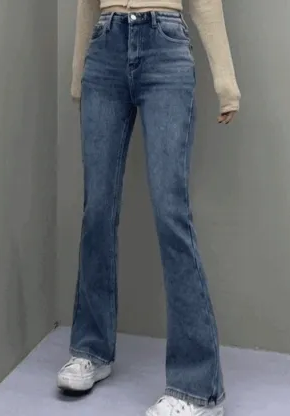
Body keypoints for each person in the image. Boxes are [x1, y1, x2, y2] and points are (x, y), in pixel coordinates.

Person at [57, 0, 240, 414]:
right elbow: (87, 3)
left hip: (165, 45)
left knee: (171, 213)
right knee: (97, 210)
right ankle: (91, 349)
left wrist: (225, 81)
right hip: (105, 47)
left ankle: (198, 387)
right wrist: (78, 73)